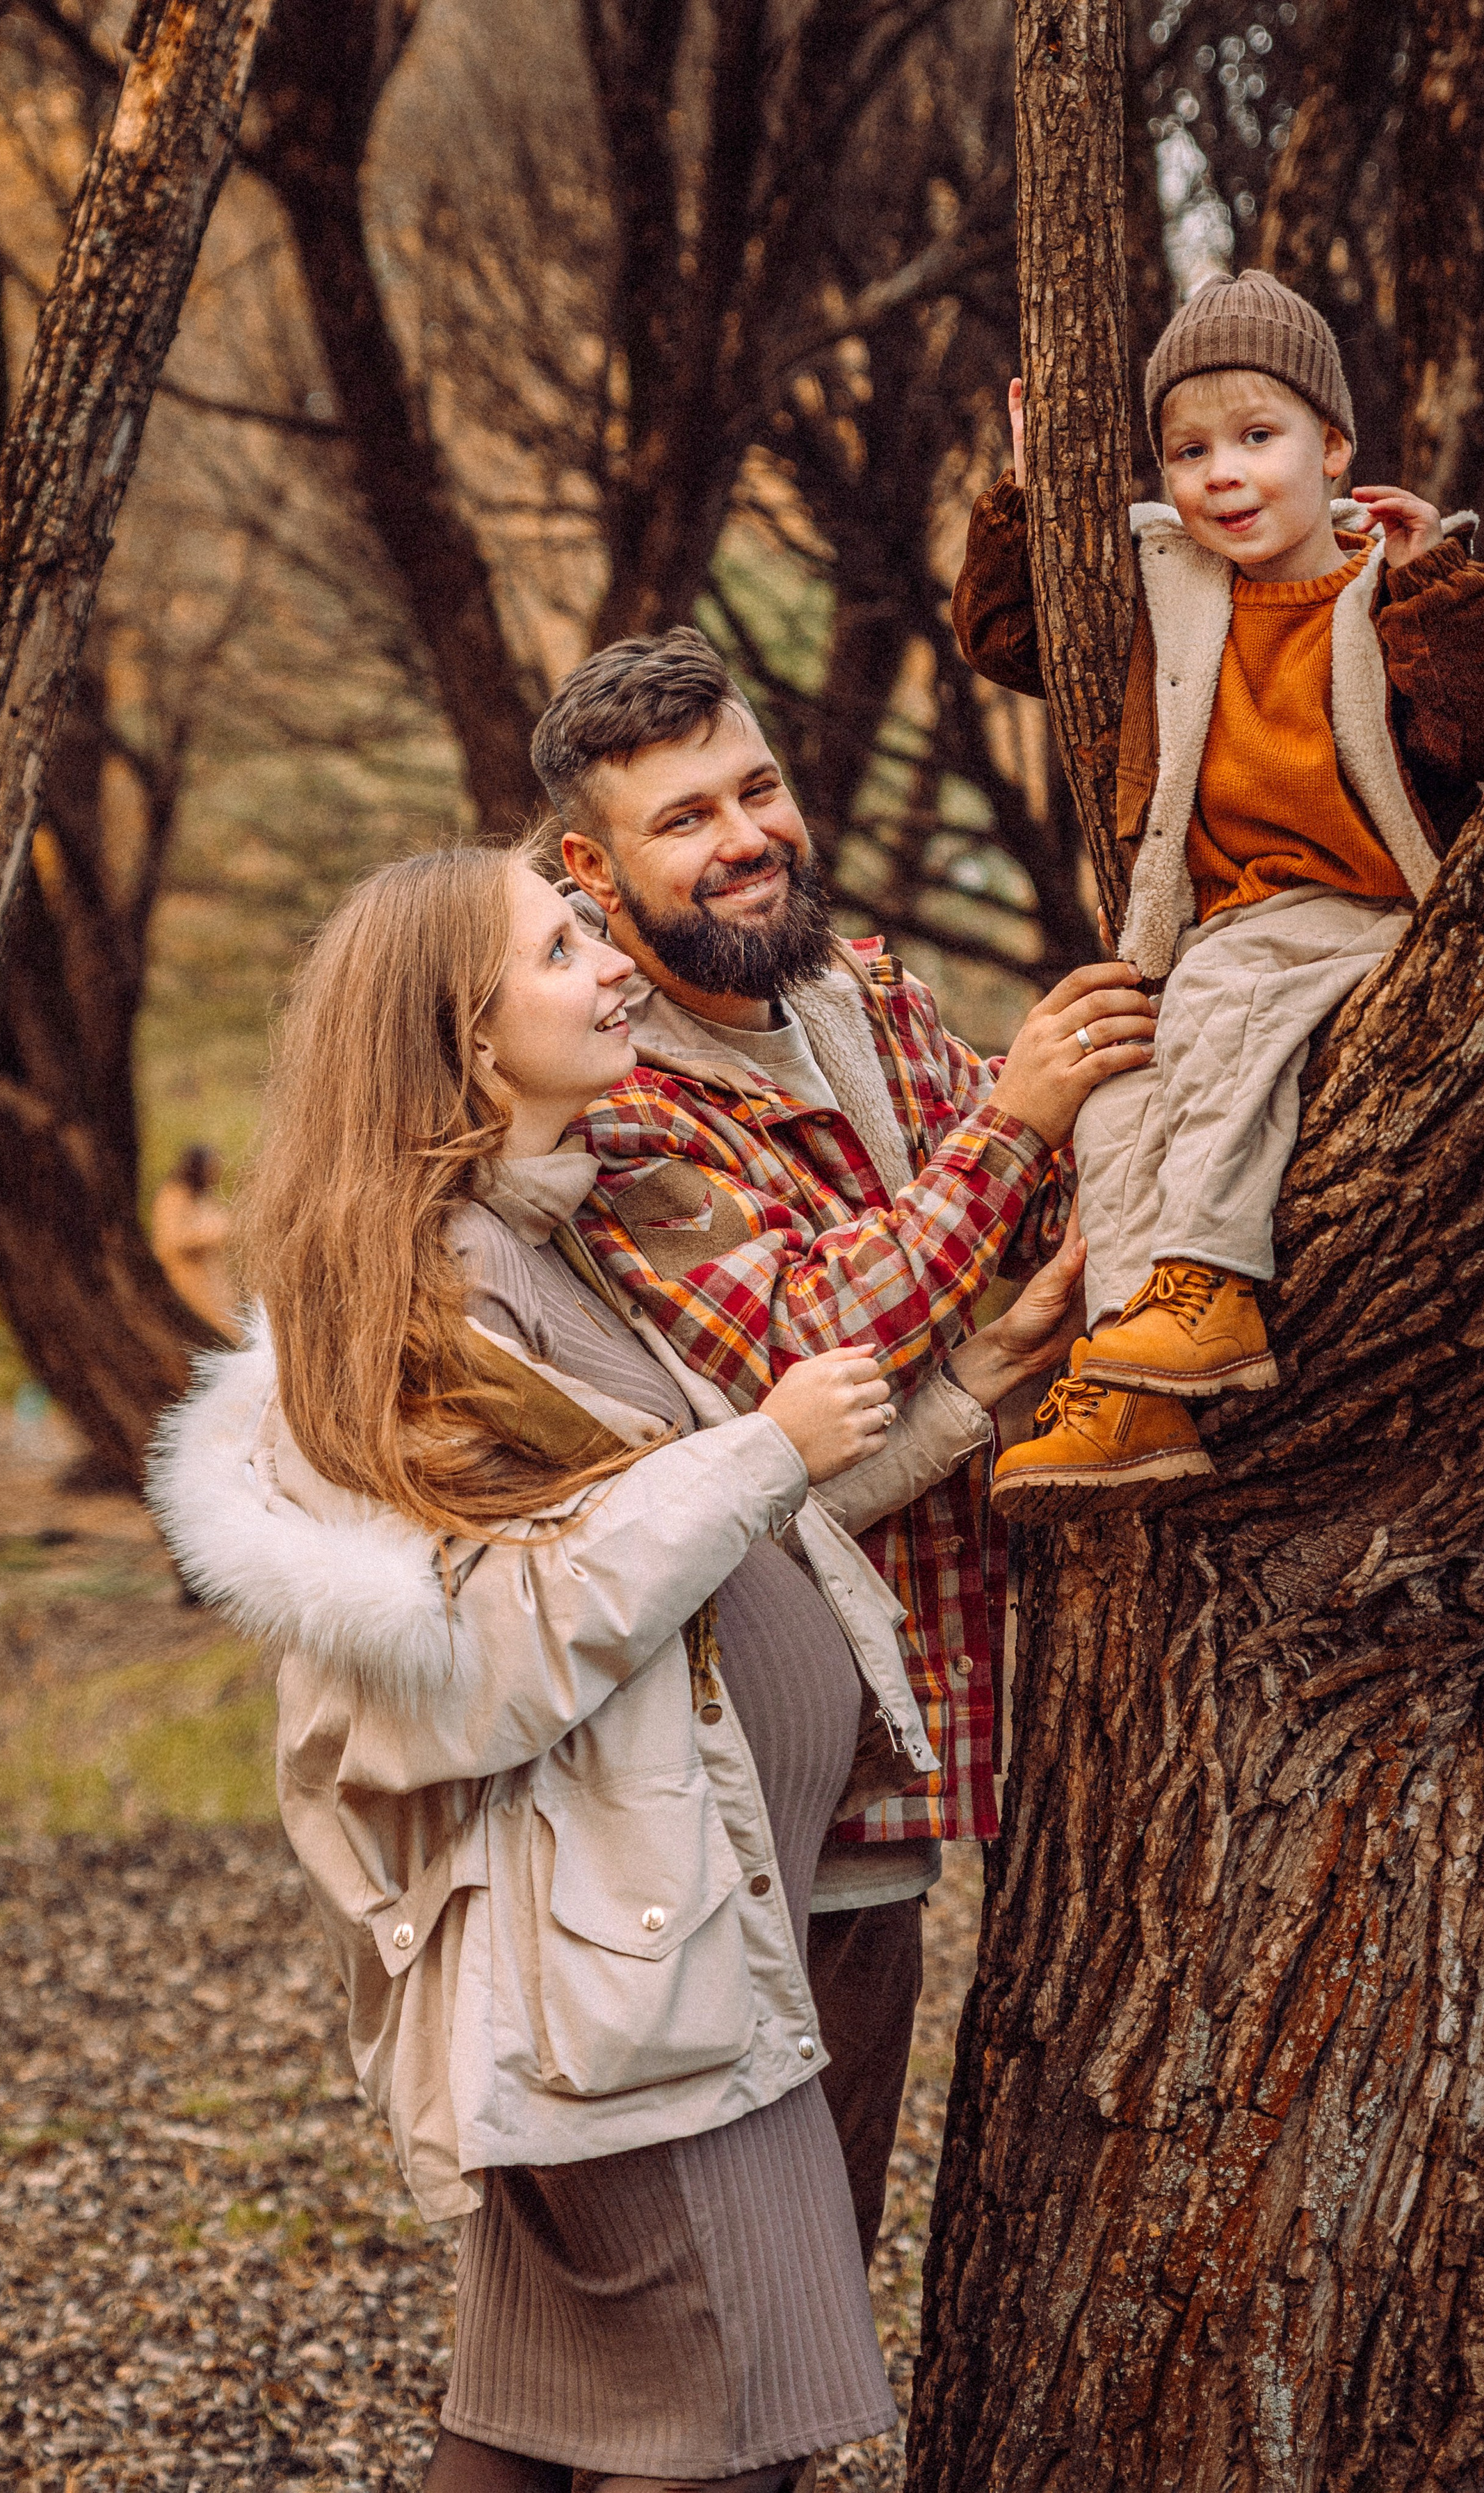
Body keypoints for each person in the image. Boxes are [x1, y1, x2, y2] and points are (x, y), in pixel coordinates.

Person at [147, 844, 1088, 2493]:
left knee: (527, 2424)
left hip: (654, 1928)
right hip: (619, 1967)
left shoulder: (553, 1238)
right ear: (463, 1030)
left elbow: (697, 1547)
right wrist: (758, 1451)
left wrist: (962, 1393)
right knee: (718, 2429)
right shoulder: (437, 1288)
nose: (616, 970)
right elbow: (486, 1648)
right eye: (562, 947)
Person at [534, 629, 1159, 2262]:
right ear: (593, 868)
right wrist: (1010, 1125)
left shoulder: (858, 994)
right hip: (720, 1796)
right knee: (701, 2311)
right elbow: (797, 1338)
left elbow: (1021, 1215)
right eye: (685, 819)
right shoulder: (601, 1096)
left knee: (800, 2280)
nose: (745, 835)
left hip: (888, 1777)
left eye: (756, 787)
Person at [949, 270, 1484, 1510]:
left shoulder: (1389, 589)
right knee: (1118, 1096)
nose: (1222, 474)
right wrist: (1030, 491)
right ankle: (1134, 1387)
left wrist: (1436, 577)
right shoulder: (1174, 592)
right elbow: (1016, 638)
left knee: (1216, 993)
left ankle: (1210, 1285)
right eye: (1188, 450)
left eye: (1257, 439)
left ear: (1333, 448)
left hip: (1373, 914)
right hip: (1237, 929)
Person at [151, 1144, 237, 1337]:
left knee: (230, 1326)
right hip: (187, 1275)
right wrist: (212, 1233)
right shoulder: (174, 1195)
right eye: (212, 1167)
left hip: (212, 1274)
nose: (215, 1173)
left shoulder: (205, 1197)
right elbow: (169, 1241)